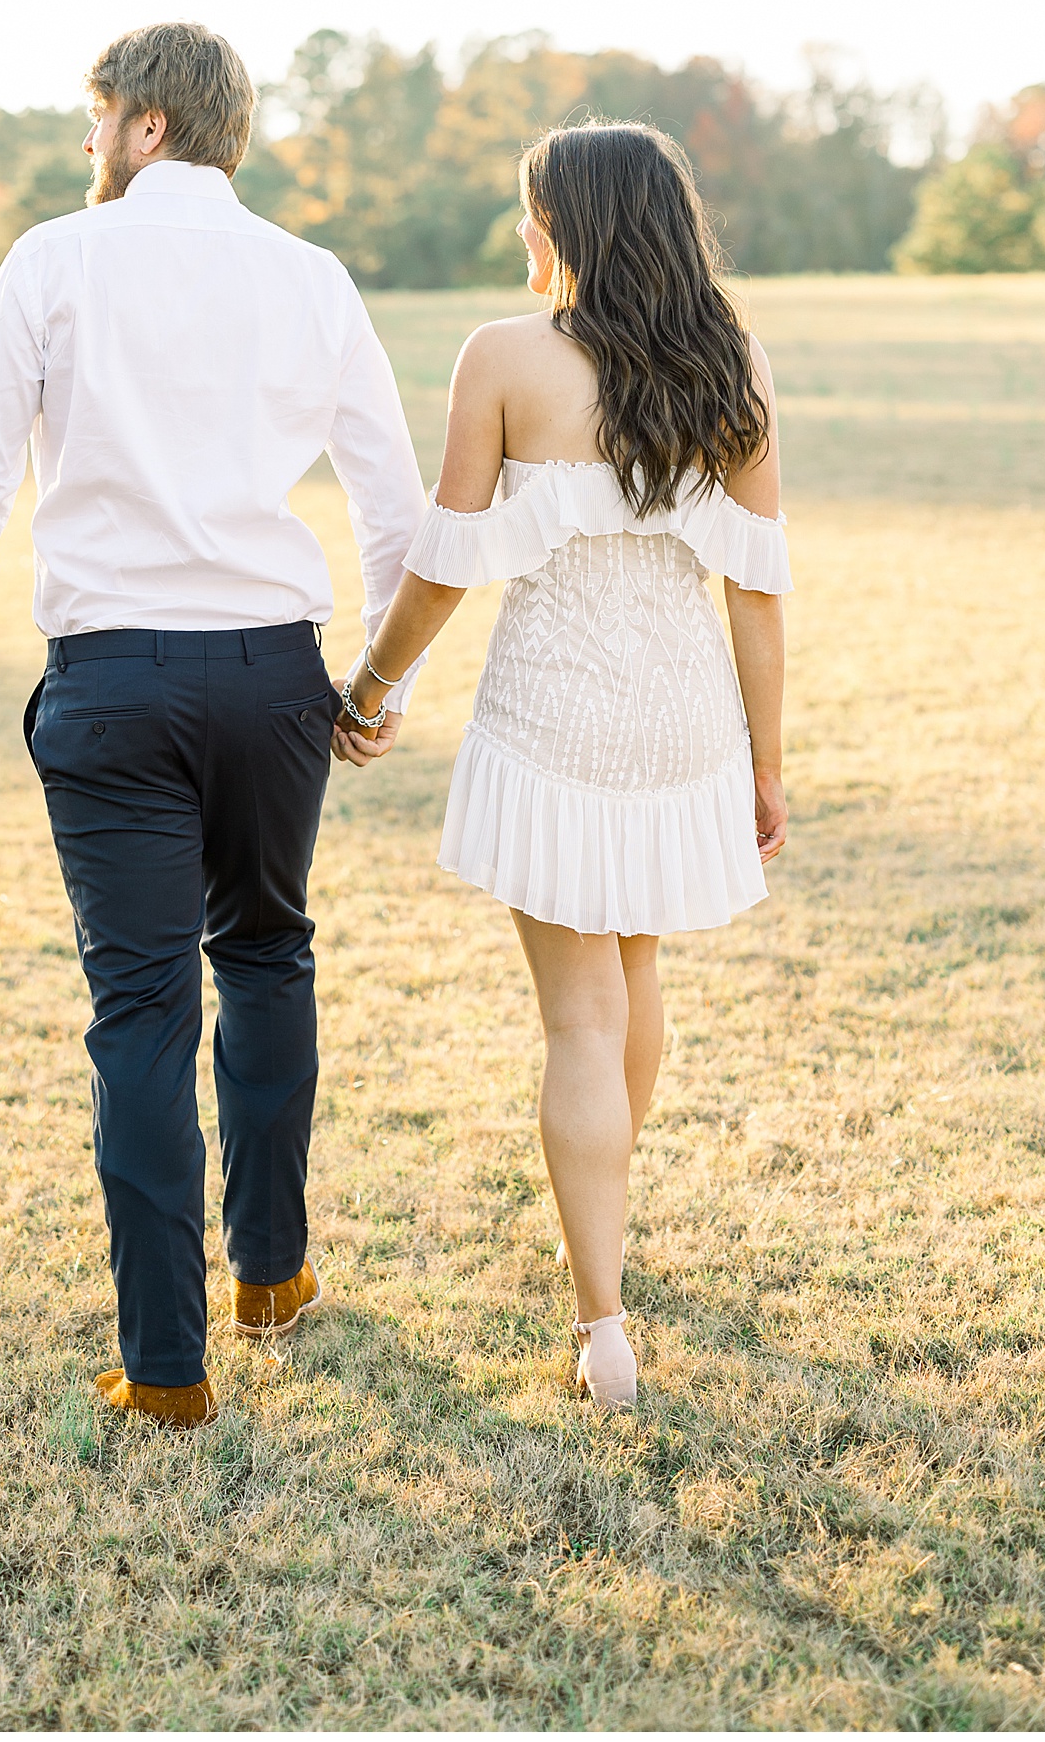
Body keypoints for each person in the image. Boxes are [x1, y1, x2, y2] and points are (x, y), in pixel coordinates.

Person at [0, 21, 426, 1429]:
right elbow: (396, 503)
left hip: (116, 677)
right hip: (273, 675)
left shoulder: (52, 261)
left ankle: (169, 1365)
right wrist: (380, 682)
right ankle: (271, 1274)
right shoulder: (312, 279)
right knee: (267, 952)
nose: (85, 146)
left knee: (141, 1005)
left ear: (145, 125)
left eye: (95, 119)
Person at [333, 121, 791, 1410]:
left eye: (530, 214)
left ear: (569, 224)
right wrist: (769, 764)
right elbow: (758, 594)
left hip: (553, 716)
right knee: (633, 975)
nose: (522, 235)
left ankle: (602, 1321)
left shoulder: (504, 357)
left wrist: (373, 682)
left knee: (579, 1016)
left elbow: (448, 559)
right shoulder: (732, 362)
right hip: (682, 720)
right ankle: (612, 1226)